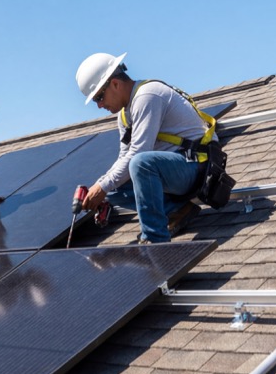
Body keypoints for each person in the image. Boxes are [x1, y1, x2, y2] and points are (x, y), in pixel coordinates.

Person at [75, 52, 217, 243]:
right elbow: (124, 157)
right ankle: (178, 210)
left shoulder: (147, 96)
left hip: (197, 167)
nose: (100, 105)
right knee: (111, 189)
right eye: (95, 100)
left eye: (99, 97)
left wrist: (102, 187)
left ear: (115, 84)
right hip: (171, 170)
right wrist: (99, 188)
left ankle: (154, 239)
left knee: (140, 163)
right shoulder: (124, 115)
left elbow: (139, 153)